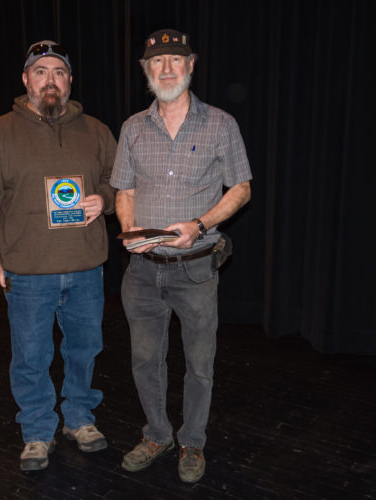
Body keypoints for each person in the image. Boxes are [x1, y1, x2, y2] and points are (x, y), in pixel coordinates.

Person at [0, 40, 117, 471]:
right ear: (26, 80)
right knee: (31, 355)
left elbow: (119, 182)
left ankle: (80, 418)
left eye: (59, 72)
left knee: (85, 349)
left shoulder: (97, 131)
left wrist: (103, 199)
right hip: (27, 272)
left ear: (70, 81)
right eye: (41, 71)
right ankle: (36, 429)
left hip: (86, 268)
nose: (50, 80)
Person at [110, 29, 252, 483]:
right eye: (157, 62)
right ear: (146, 70)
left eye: (176, 60)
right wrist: (129, 229)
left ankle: (192, 442)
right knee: (145, 360)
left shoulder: (221, 124)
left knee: (199, 365)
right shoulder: (132, 128)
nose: (166, 69)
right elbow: (124, 191)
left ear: (192, 65)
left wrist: (200, 225)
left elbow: (242, 189)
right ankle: (157, 434)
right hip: (142, 270)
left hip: (195, 271)